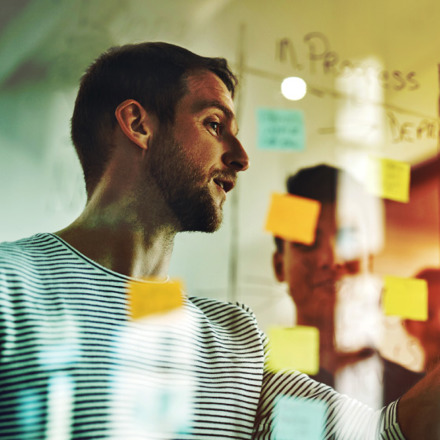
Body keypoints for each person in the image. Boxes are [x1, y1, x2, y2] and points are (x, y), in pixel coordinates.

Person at [0, 41, 439, 439]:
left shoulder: (238, 337)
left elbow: (388, 433)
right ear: (138, 124)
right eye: (214, 124)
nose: (241, 157)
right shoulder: (9, 285)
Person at [272, 164, 424, 408]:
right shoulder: (251, 390)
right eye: (307, 241)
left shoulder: (417, 399)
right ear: (279, 267)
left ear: (369, 261)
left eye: (348, 239)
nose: (331, 258)